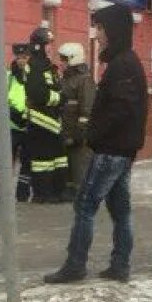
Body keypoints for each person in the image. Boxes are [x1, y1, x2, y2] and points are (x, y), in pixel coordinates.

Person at [44, 3, 148, 284]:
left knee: (85, 206)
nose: (97, 34)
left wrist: (93, 134)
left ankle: (75, 265)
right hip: (120, 150)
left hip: (111, 150)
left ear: (113, 30)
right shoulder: (124, 62)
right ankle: (120, 265)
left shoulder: (123, 64)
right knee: (120, 210)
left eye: (100, 28)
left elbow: (120, 109)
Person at [25, 27, 69, 203]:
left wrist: (58, 96)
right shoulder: (35, 65)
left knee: (58, 158)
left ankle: (58, 190)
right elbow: (39, 95)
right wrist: (60, 98)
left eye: (51, 44)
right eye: (47, 44)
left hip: (52, 121)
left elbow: (55, 87)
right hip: (40, 122)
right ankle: (43, 193)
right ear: (38, 46)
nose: (50, 48)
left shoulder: (48, 66)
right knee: (43, 160)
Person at [58, 42, 96, 199]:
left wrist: (79, 133)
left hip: (78, 134)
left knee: (80, 165)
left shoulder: (84, 80)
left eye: (64, 59)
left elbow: (87, 109)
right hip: (66, 130)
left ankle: (83, 196)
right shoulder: (66, 79)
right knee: (69, 166)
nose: (61, 63)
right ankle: (71, 192)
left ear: (73, 59)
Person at [0, 43, 33, 202]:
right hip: (12, 125)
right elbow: (2, 97)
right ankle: (3, 194)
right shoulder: (9, 76)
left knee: (27, 162)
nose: (21, 61)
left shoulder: (33, 75)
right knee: (6, 161)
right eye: (18, 57)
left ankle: (22, 194)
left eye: (24, 57)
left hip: (29, 124)